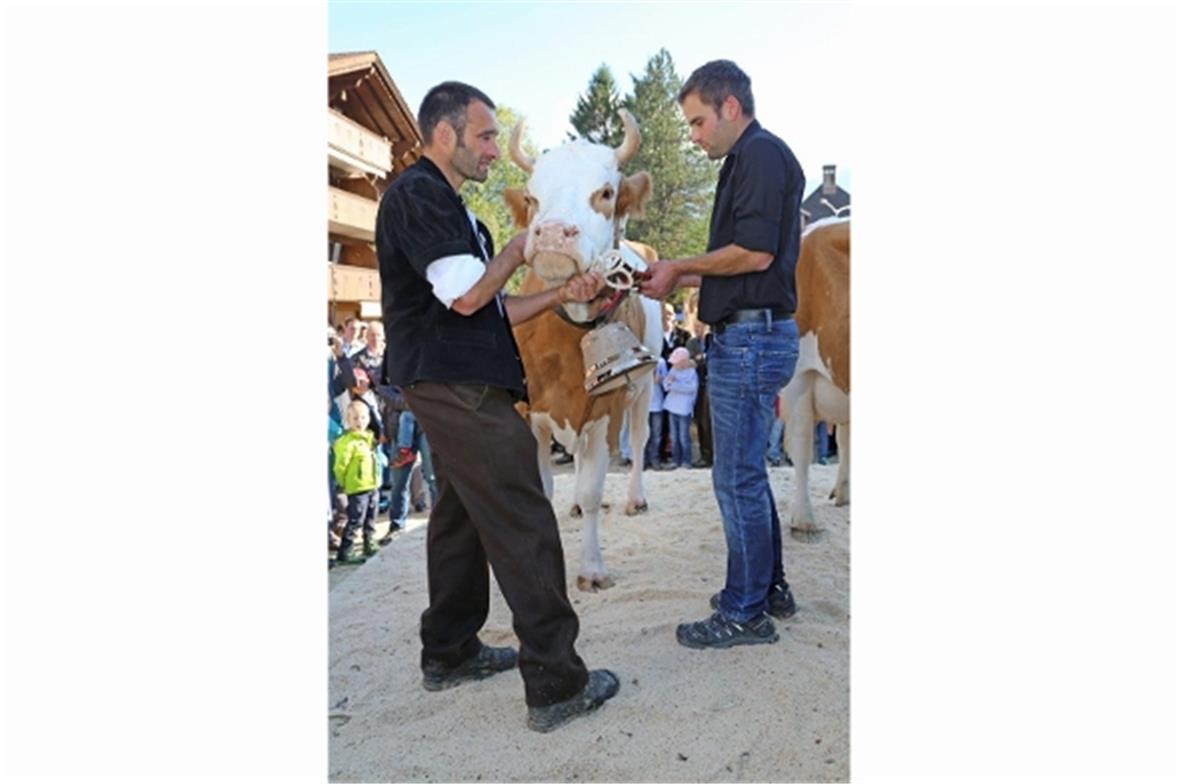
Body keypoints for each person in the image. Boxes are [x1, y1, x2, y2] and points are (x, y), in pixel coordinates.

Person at [376, 80, 619, 732]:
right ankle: (557, 682)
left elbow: (493, 308)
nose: (492, 149)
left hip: (456, 376)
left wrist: (561, 288)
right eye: (484, 136)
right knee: (522, 513)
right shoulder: (418, 195)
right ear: (445, 134)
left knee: (458, 516)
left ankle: (449, 649)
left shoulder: (460, 214)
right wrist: (523, 245)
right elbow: (463, 297)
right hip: (456, 384)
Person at [639, 60, 804, 649]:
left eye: (698, 121)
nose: (694, 135)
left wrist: (680, 266)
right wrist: (680, 279)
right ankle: (769, 589)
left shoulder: (760, 156)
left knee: (735, 480)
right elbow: (747, 260)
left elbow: (756, 254)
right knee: (746, 477)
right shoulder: (749, 158)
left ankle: (745, 610)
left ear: (730, 107)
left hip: (753, 339)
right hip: (753, 334)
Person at [333, 400, 382, 564]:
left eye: (362, 417)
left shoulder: (368, 438)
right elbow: (340, 466)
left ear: (368, 418)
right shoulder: (347, 442)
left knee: (371, 516)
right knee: (356, 519)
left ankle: (369, 541)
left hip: (372, 485)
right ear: (348, 420)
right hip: (357, 487)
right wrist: (343, 483)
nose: (359, 421)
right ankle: (345, 551)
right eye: (355, 418)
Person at [662, 347, 699, 468]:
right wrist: (671, 383)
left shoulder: (691, 372)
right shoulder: (673, 369)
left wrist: (675, 384)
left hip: (684, 408)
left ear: (684, 361)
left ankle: (686, 461)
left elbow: (691, 389)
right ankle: (675, 460)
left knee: (684, 436)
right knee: (674, 436)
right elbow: (666, 385)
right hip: (672, 406)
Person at [643, 356, 669, 470]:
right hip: (643, 404)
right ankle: (642, 460)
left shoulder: (661, 361)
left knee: (656, 434)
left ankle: (655, 459)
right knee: (642, 435)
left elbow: (667, 381)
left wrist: (661, 379)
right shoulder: (639, 359)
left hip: (657, 403)